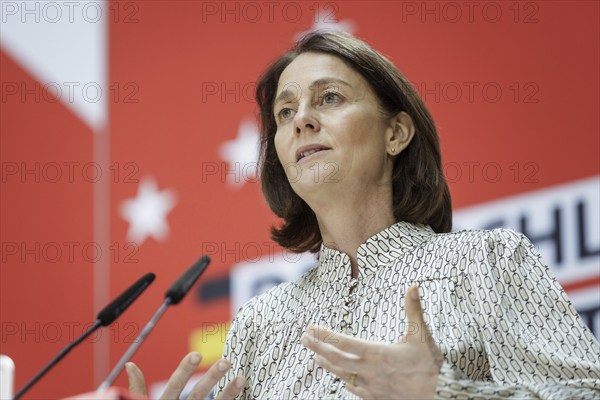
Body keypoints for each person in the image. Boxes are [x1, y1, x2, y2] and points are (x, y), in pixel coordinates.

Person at [125, 31, 600, 399]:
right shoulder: (259, 323)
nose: (301, 120)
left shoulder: (486, 260)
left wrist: (445, 392)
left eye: (329, 98)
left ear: (396, 133)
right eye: (284, 112)